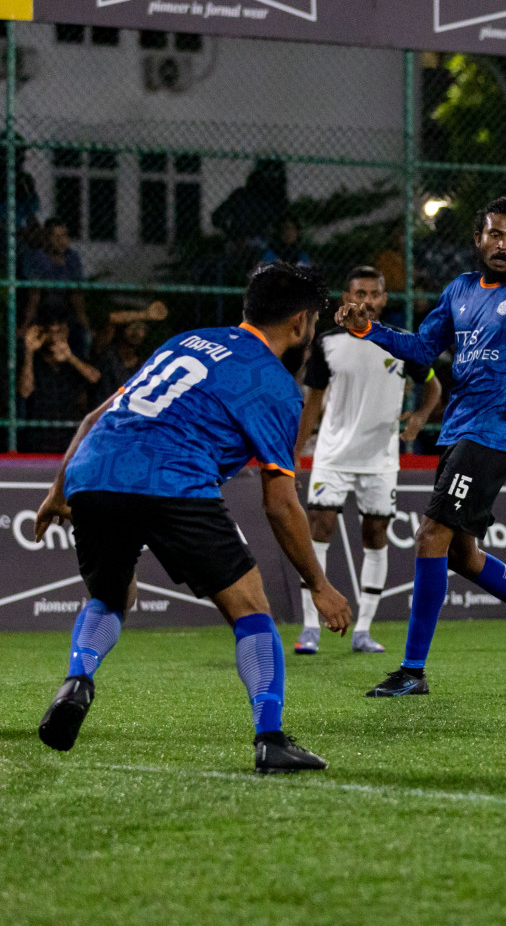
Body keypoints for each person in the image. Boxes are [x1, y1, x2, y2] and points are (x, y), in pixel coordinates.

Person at [31, 262, 351, 773]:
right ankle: (271, 738)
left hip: (93, 472)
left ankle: (78, 680)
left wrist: (56, 489)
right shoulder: (274, 384)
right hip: (173, 479)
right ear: (300, 323)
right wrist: (318, 583)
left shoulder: (188, 340)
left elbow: (97, 416)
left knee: (112, 596)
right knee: (251, 608)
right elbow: (279, 501)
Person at [335, 196, 506, 698]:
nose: (504, 245)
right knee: (461, 553)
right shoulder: (458, 290)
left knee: (432, 532)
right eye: (495, 235)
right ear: (478, 238)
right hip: (458, 429)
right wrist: (367, 329)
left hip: (496, 431)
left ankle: (412, 671)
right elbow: (420, 348)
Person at [293, 267, 442, 655]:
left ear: (384, 299)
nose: (367, 301)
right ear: (347, 297)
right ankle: (310, 628)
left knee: (375, 538)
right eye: (360, 292)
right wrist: (296, 452)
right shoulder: (328, 343)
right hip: (332, 456)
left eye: (375, 293)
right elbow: (312, 402)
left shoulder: (402, 343)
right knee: (318, 530)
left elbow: (433, 386)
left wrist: (422, 416)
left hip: (380, 460)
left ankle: (363, 629)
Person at [20, 307, 102, 453]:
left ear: (66, 332)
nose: (54, 338)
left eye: (59, 332)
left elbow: (95, 378)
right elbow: (25, 391)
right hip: (38, 437)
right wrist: (29, 351)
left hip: (69, 437)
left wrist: (70, 357)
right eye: (50, 332)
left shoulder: (74, 359)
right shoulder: (34, 361)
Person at [22, 217, 89, 340]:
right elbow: (34, 296)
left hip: (65, 313)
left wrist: (84, 323)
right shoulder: (39, 257)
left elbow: (77, 296)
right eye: (56, 237)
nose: (62, 241)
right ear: (47, 237)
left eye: (64, 236)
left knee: (78, 332)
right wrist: (25, 325)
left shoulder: (72, 257)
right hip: (44, 312)